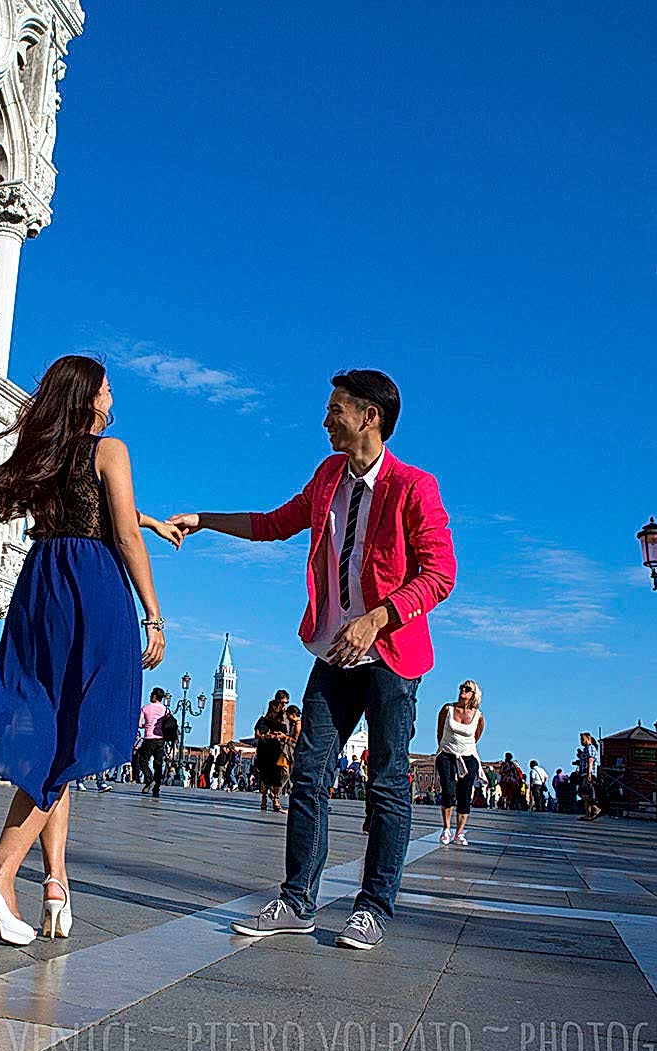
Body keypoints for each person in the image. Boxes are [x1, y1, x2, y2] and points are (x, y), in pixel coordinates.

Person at [175, 368, 457, 951]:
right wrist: (204, 520)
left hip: (390, 657)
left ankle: (373, 906)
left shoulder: (414, 487)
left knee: (386, 782)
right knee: (308, 772)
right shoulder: (328, 475)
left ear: (368, 417)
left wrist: (377, 618)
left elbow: (440, 575)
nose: (325, 419)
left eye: (336, 409)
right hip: (332, 650)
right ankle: (297, 899)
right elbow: (275, 524)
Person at [0, 354, 179, 946]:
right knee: (73, 739)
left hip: (41, 586)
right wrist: (154, 613)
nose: (113, 399)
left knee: (55, 731)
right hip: (91, 585)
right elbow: (120, 531)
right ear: (88, 399)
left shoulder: (47, 454)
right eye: (107, 390)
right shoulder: (112, 450)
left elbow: (109, 510)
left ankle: (55, 879)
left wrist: (149, 520)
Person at [435, 680, 483, 845]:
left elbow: (476, 736)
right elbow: (439, 731)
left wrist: (465, 749)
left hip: (469, 757)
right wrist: (444, 748)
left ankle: (459, 833)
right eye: (461, 687)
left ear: (473, 694)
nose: (463, 690)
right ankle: (446, 829)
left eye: (467, 688)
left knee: (465, 794)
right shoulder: (447, 709)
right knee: (448, 791)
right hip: (447, 754)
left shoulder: (478, 715)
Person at [254, 698, 294, 812]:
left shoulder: (285, 718)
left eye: (285, 703)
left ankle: (275, 797)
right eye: (282, 703)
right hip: (265, 749)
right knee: (265, 775)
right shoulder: (264, 719)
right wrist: (266, 736)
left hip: (277, 750)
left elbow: (289, 732)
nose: (283, 705)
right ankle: (264, 798)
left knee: (277, 775)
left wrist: (281, 734)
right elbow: (257, 733)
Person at [135, 688, 169, 797]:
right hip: (160, 740)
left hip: (149, 738)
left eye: (151, 694)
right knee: (158, 764)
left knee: (143, 761)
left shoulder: (145, 708)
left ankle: (149, 779)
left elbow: (139, 724)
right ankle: (156, 789)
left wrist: (147, 725)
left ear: (154, 696)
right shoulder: (166, 710)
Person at [575, 732, 601, 821]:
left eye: (582, 739)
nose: (581, 741)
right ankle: (588, 814)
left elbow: (591, 760)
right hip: (584, 773)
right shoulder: (586, 749)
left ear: (588, 739)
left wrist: (589, 773)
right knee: (585, 793)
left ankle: (594, 808)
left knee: (584, 792)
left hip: (587, 773)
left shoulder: (590, 748)